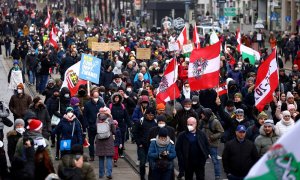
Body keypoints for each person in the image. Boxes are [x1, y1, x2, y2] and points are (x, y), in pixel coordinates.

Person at [199, 108, 224, 180]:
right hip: (203, 144)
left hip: (212, 144)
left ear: (206, 115)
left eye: (203, 114)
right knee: (201, 161)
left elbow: (221, 132)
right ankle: (201, 175)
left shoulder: (215, 122)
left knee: (215, 161)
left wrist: (212, 137)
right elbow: (198, 130)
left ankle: (217, 176)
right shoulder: (201, 121)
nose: (201, 115)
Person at [133, 107, 158, 180]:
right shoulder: (141, 121)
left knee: (152, 164)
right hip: (142, 146)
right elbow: (135, 132)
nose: (150, 117)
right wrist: (138, 143)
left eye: (152, 115)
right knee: (142, 163)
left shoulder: (155, 122)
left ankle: (150, 177)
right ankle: (142, 177)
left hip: (152, 146)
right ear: (146, 114)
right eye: (149, 115)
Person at [83, 88, 105, 161]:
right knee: (91, 142)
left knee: (101, 141)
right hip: (91, 126)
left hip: (100, 125)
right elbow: (85, 116)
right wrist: (87, 125)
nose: (96, 98)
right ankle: (91, 155)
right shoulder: (87, 104)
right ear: (92, 96)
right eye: (95, 97)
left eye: (97, 97)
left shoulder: (101, 104)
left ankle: (100, 154)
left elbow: (104, 114)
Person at [95, 108, 116, 179]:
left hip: (99, 139)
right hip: (108, 140)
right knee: (109, 157)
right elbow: (114, 130)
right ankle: (109, 173)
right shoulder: (110, 119)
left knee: (101, 158)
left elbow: (95, 129)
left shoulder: (97, 119)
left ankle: (101, 174)